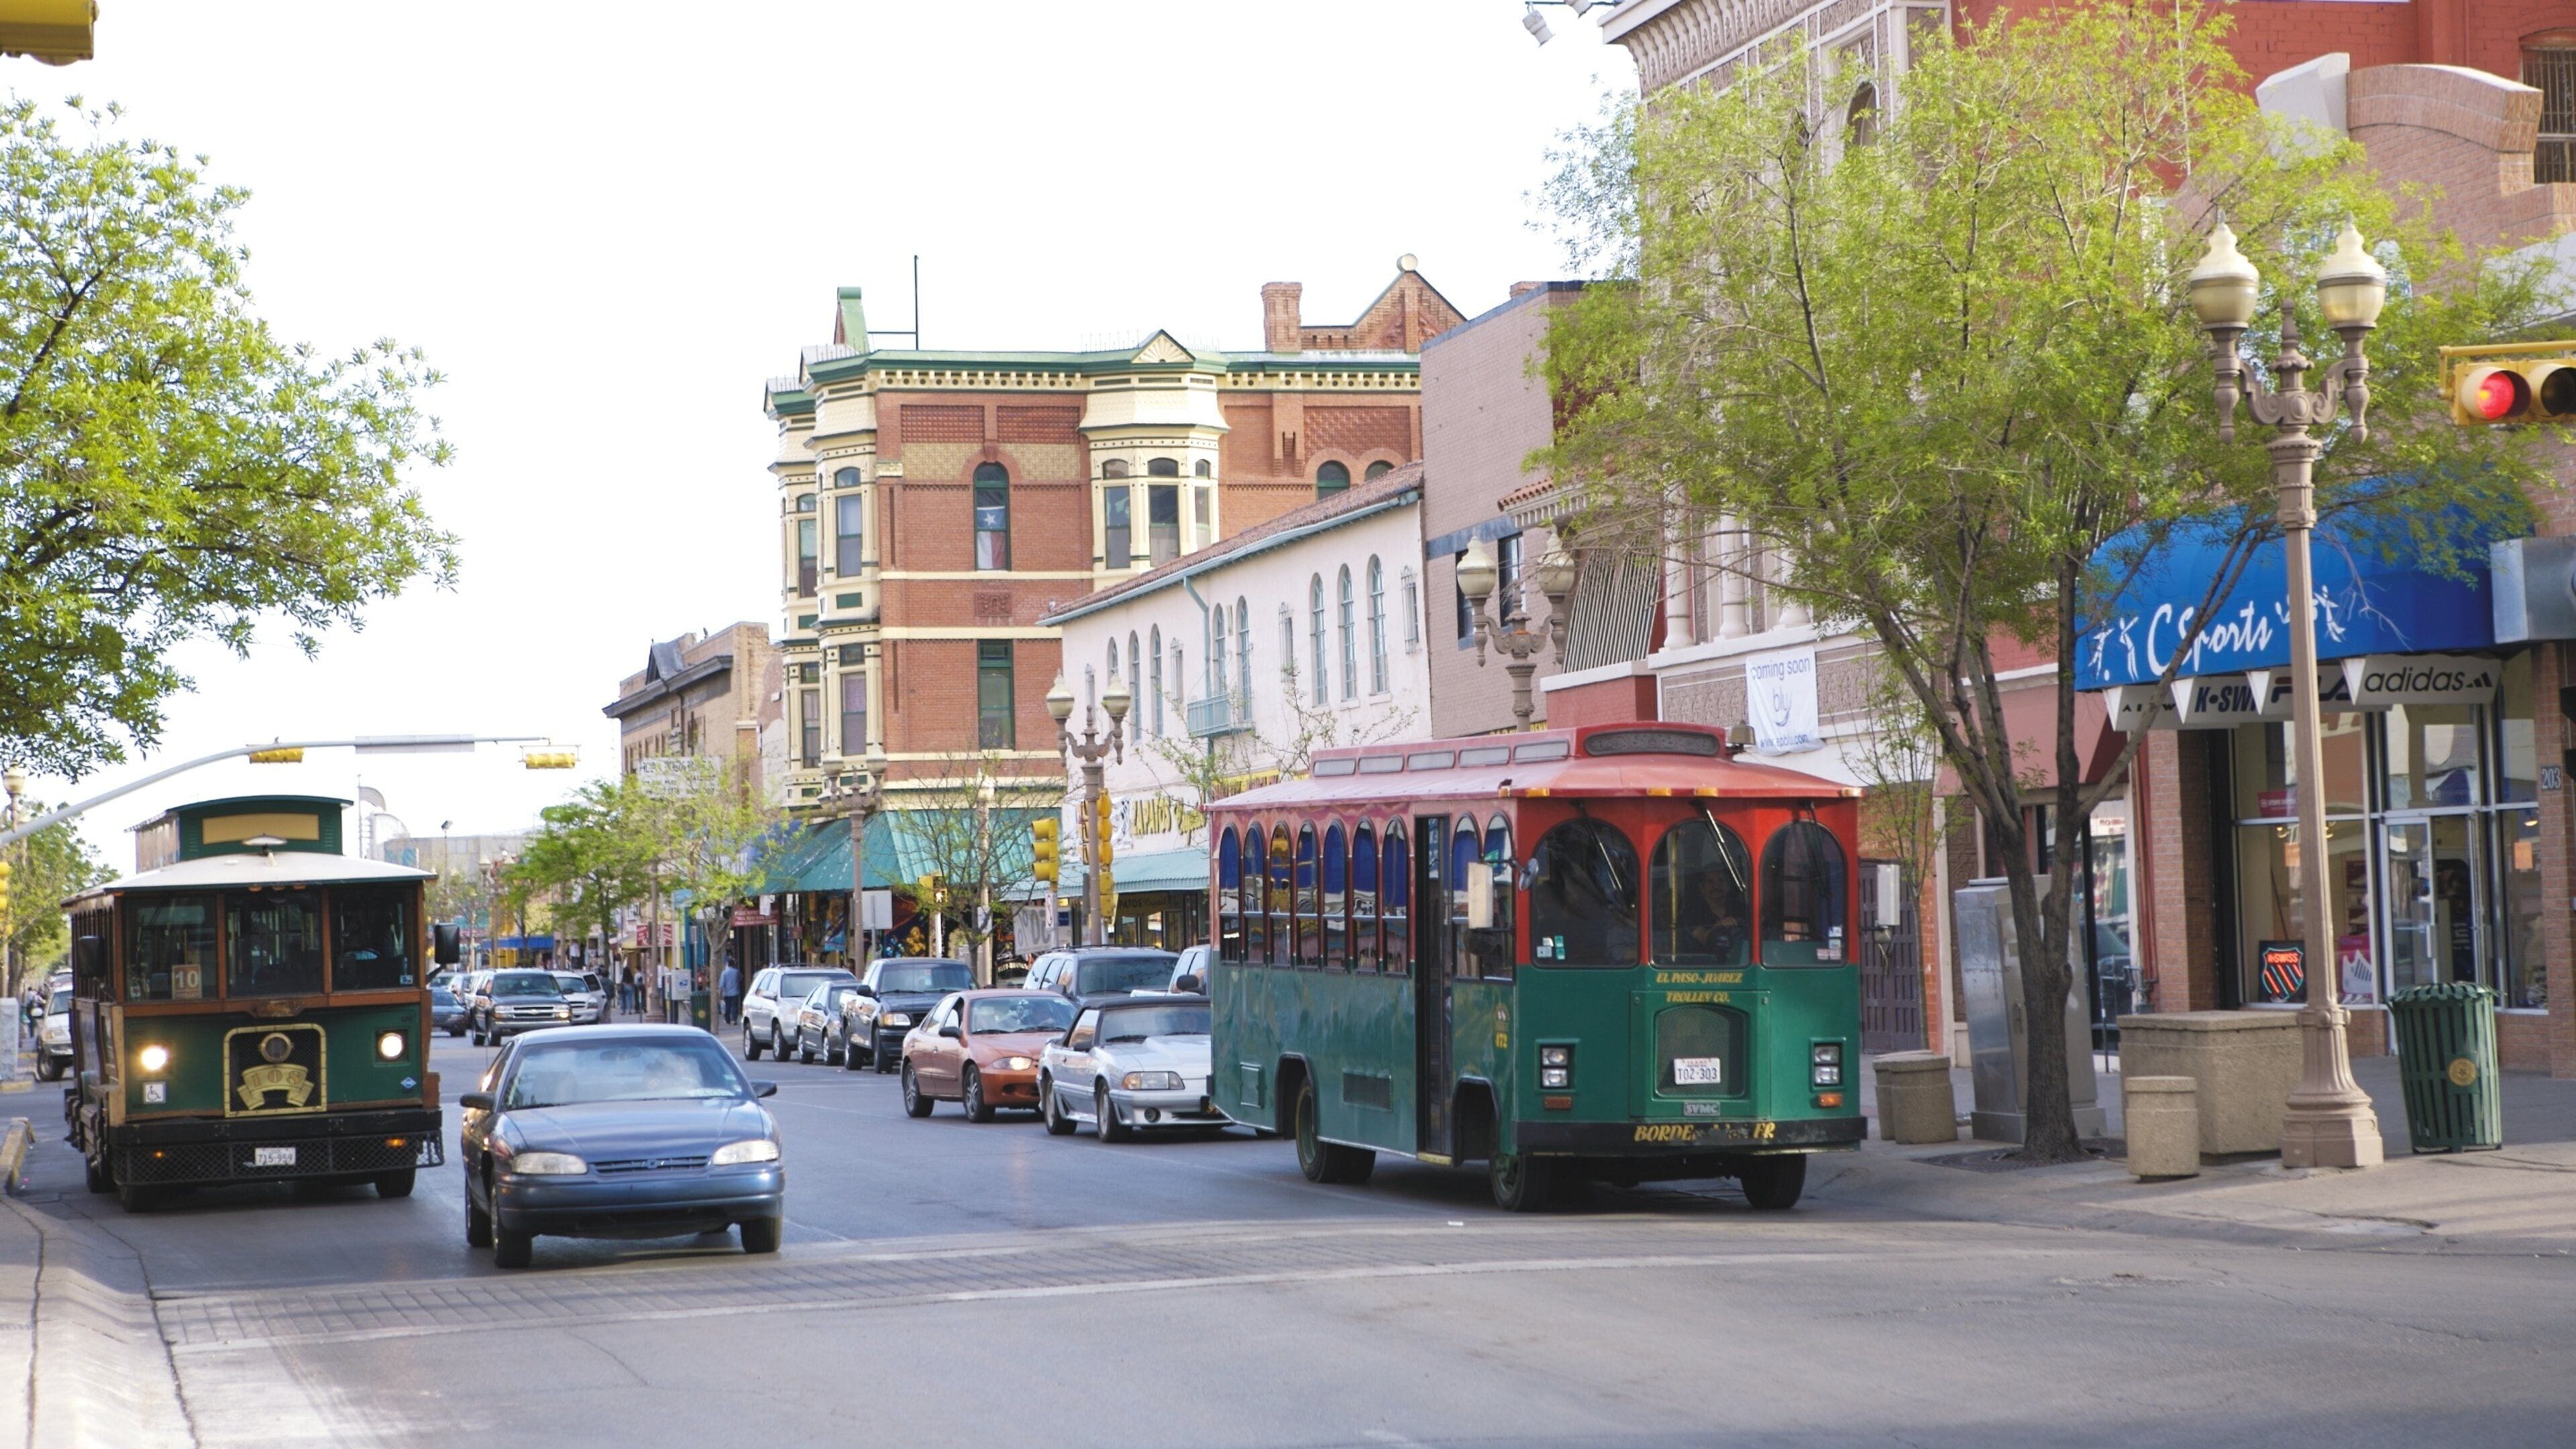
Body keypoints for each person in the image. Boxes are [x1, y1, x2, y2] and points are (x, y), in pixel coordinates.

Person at [718, 959, 743, 1024]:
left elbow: (722, 984)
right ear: (734, 965)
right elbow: (741, 978)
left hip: (727, 993)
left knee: (727, 1007)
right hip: (735, 992)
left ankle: (727, 1020)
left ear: (728, 964)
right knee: (734, 1007)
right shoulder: (737, 972)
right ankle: (734, 1020)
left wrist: (720, 993)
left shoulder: (724, 973)